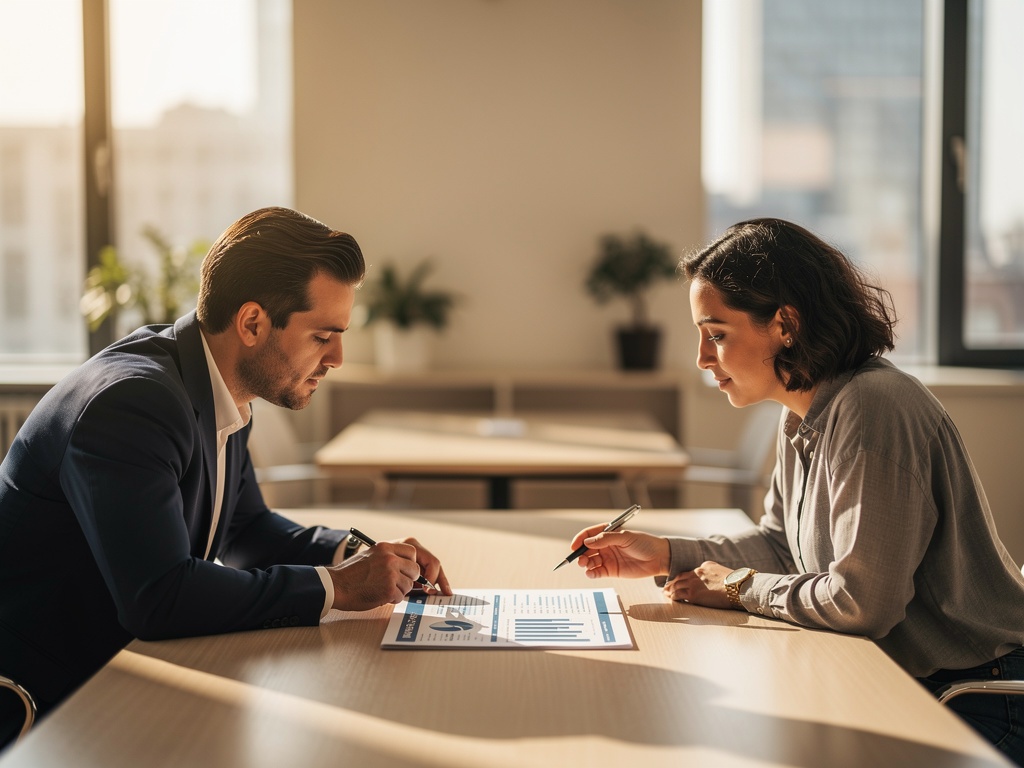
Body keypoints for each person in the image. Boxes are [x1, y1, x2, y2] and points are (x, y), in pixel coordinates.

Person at [567, 217, 1024, 764]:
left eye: (716, 334)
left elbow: (862, 605)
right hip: (907, 683)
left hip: (978, 699)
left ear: (785, 324)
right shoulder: (806, 411)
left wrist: (739, 587)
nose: (702, 358)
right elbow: (782, 545)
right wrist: (666, 554)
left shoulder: (874, 407)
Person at [0, 207, 452, 749]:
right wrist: (341, 589)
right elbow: (160, 597)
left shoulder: (214, 386)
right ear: (254, 323)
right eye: (322, 336)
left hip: (122, 674)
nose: (337, 357)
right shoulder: (133, 402)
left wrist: (360, 555)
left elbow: (247, 529)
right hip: (47, 705)